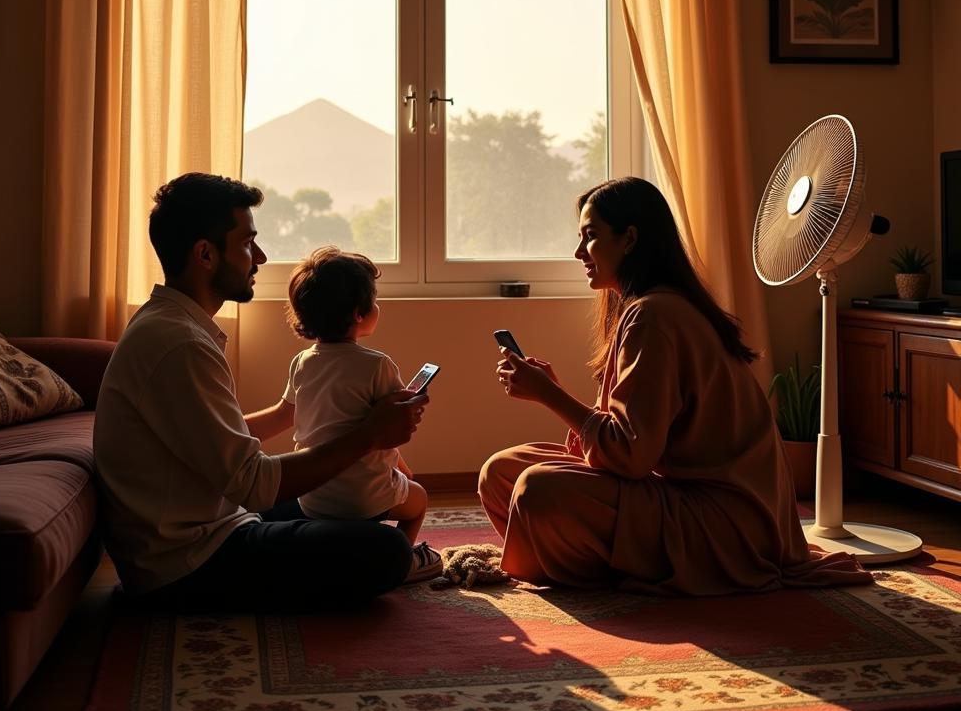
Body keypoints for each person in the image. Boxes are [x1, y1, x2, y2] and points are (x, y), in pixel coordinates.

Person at [480, 177, 872, 594]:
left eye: (590, 237)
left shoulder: (655, 315)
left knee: (537, 489)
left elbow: (630, 456)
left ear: (629, 239)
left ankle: (600, 567)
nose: (579, 253)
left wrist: (549, 395)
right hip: (678, 494)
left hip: (723, 524)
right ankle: (579, 556)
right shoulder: (647, 307)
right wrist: (554, 390)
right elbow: (623, 446)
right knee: (502, 472)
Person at [93, 173, 428, 612]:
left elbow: (220, 439)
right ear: (206, 254)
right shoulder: (180, 346)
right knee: (383, 550)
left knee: (341, 500)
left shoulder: (171, 325)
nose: (261, 257)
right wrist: (368, 434)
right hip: (188, 562)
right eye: (248, 243)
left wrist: (296, 411)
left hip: (208, 520)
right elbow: (252, 483)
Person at [281, 247, 442, 581]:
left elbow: (322, 425)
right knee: (419, 499)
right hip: (364, 497)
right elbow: (389, 431)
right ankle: (408, 561)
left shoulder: (303, 362)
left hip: (311, 495)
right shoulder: (377, 365)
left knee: (397, 482)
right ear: (359, 313)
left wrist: (399, 468)